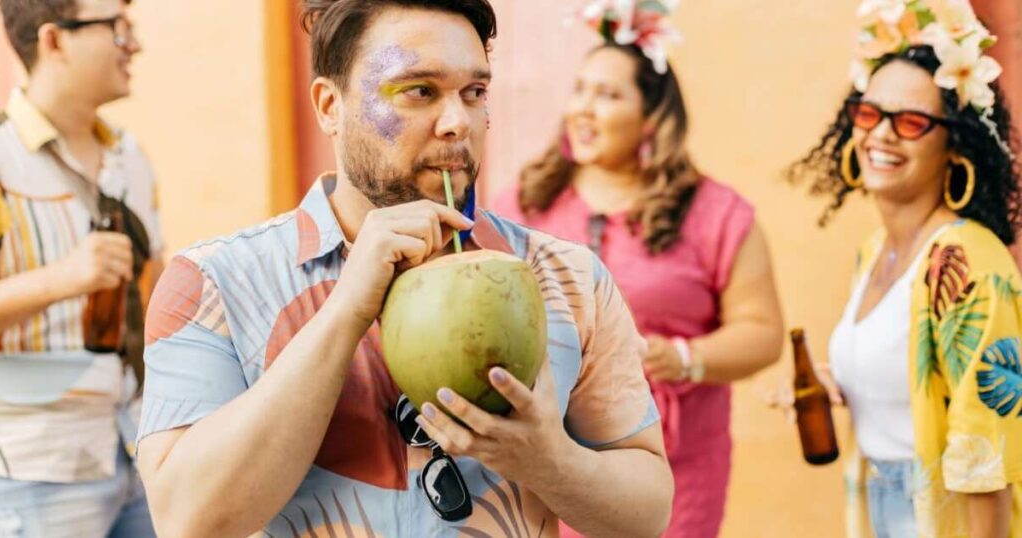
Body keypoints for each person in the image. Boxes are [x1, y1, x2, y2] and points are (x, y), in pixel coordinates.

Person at [135, 1, 673, 536]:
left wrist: (549, 462)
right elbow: (188, 521)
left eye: (474, 92)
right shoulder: (215, 284)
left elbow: (647, 516)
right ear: (329, 106)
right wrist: (346, 311)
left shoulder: (567, 278)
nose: (457, 123)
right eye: (419, 91)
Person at [492, 2, 784, 537]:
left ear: (652, 117)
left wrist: (685, 358)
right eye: (581, 89)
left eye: (608, 95)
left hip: (674, 472)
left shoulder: (715, 214)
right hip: (548, 469)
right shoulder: (525, 204)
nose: (584, 108)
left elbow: (763, 332)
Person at [788, 1, 1022, 536]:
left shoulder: (965, 263)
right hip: (878, 502)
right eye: (869, 114)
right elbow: (906, 381)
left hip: (947, 517)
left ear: (955, 146)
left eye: (912, 122)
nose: (881, 135)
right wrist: (836, 382)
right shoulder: (875, 251)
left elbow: (986, 457)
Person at [0, 0, 163, 536]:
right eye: (116, 27)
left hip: (140, 446)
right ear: (54, 41)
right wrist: (62, 279)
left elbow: (156, 289)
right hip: (33, 471)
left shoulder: (129, 155)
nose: (133, 44)